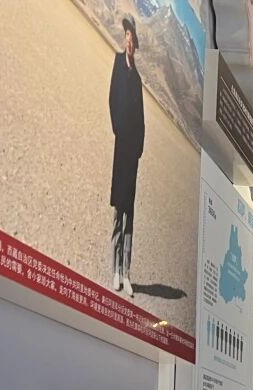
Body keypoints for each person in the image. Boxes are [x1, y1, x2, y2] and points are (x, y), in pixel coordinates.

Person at [108, 16, 145, 299]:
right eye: (127, 38)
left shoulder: (138, 79)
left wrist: (138, 147)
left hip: (131, 153)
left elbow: (142, 119)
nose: (129, 43)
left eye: (132, 40)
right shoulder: (119, 64)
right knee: (118, 211)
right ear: (125, 39)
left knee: (129, 212)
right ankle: (115, 270)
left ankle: (127, 273)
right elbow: (112, 99)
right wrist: (119, 130)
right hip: (121, 148)